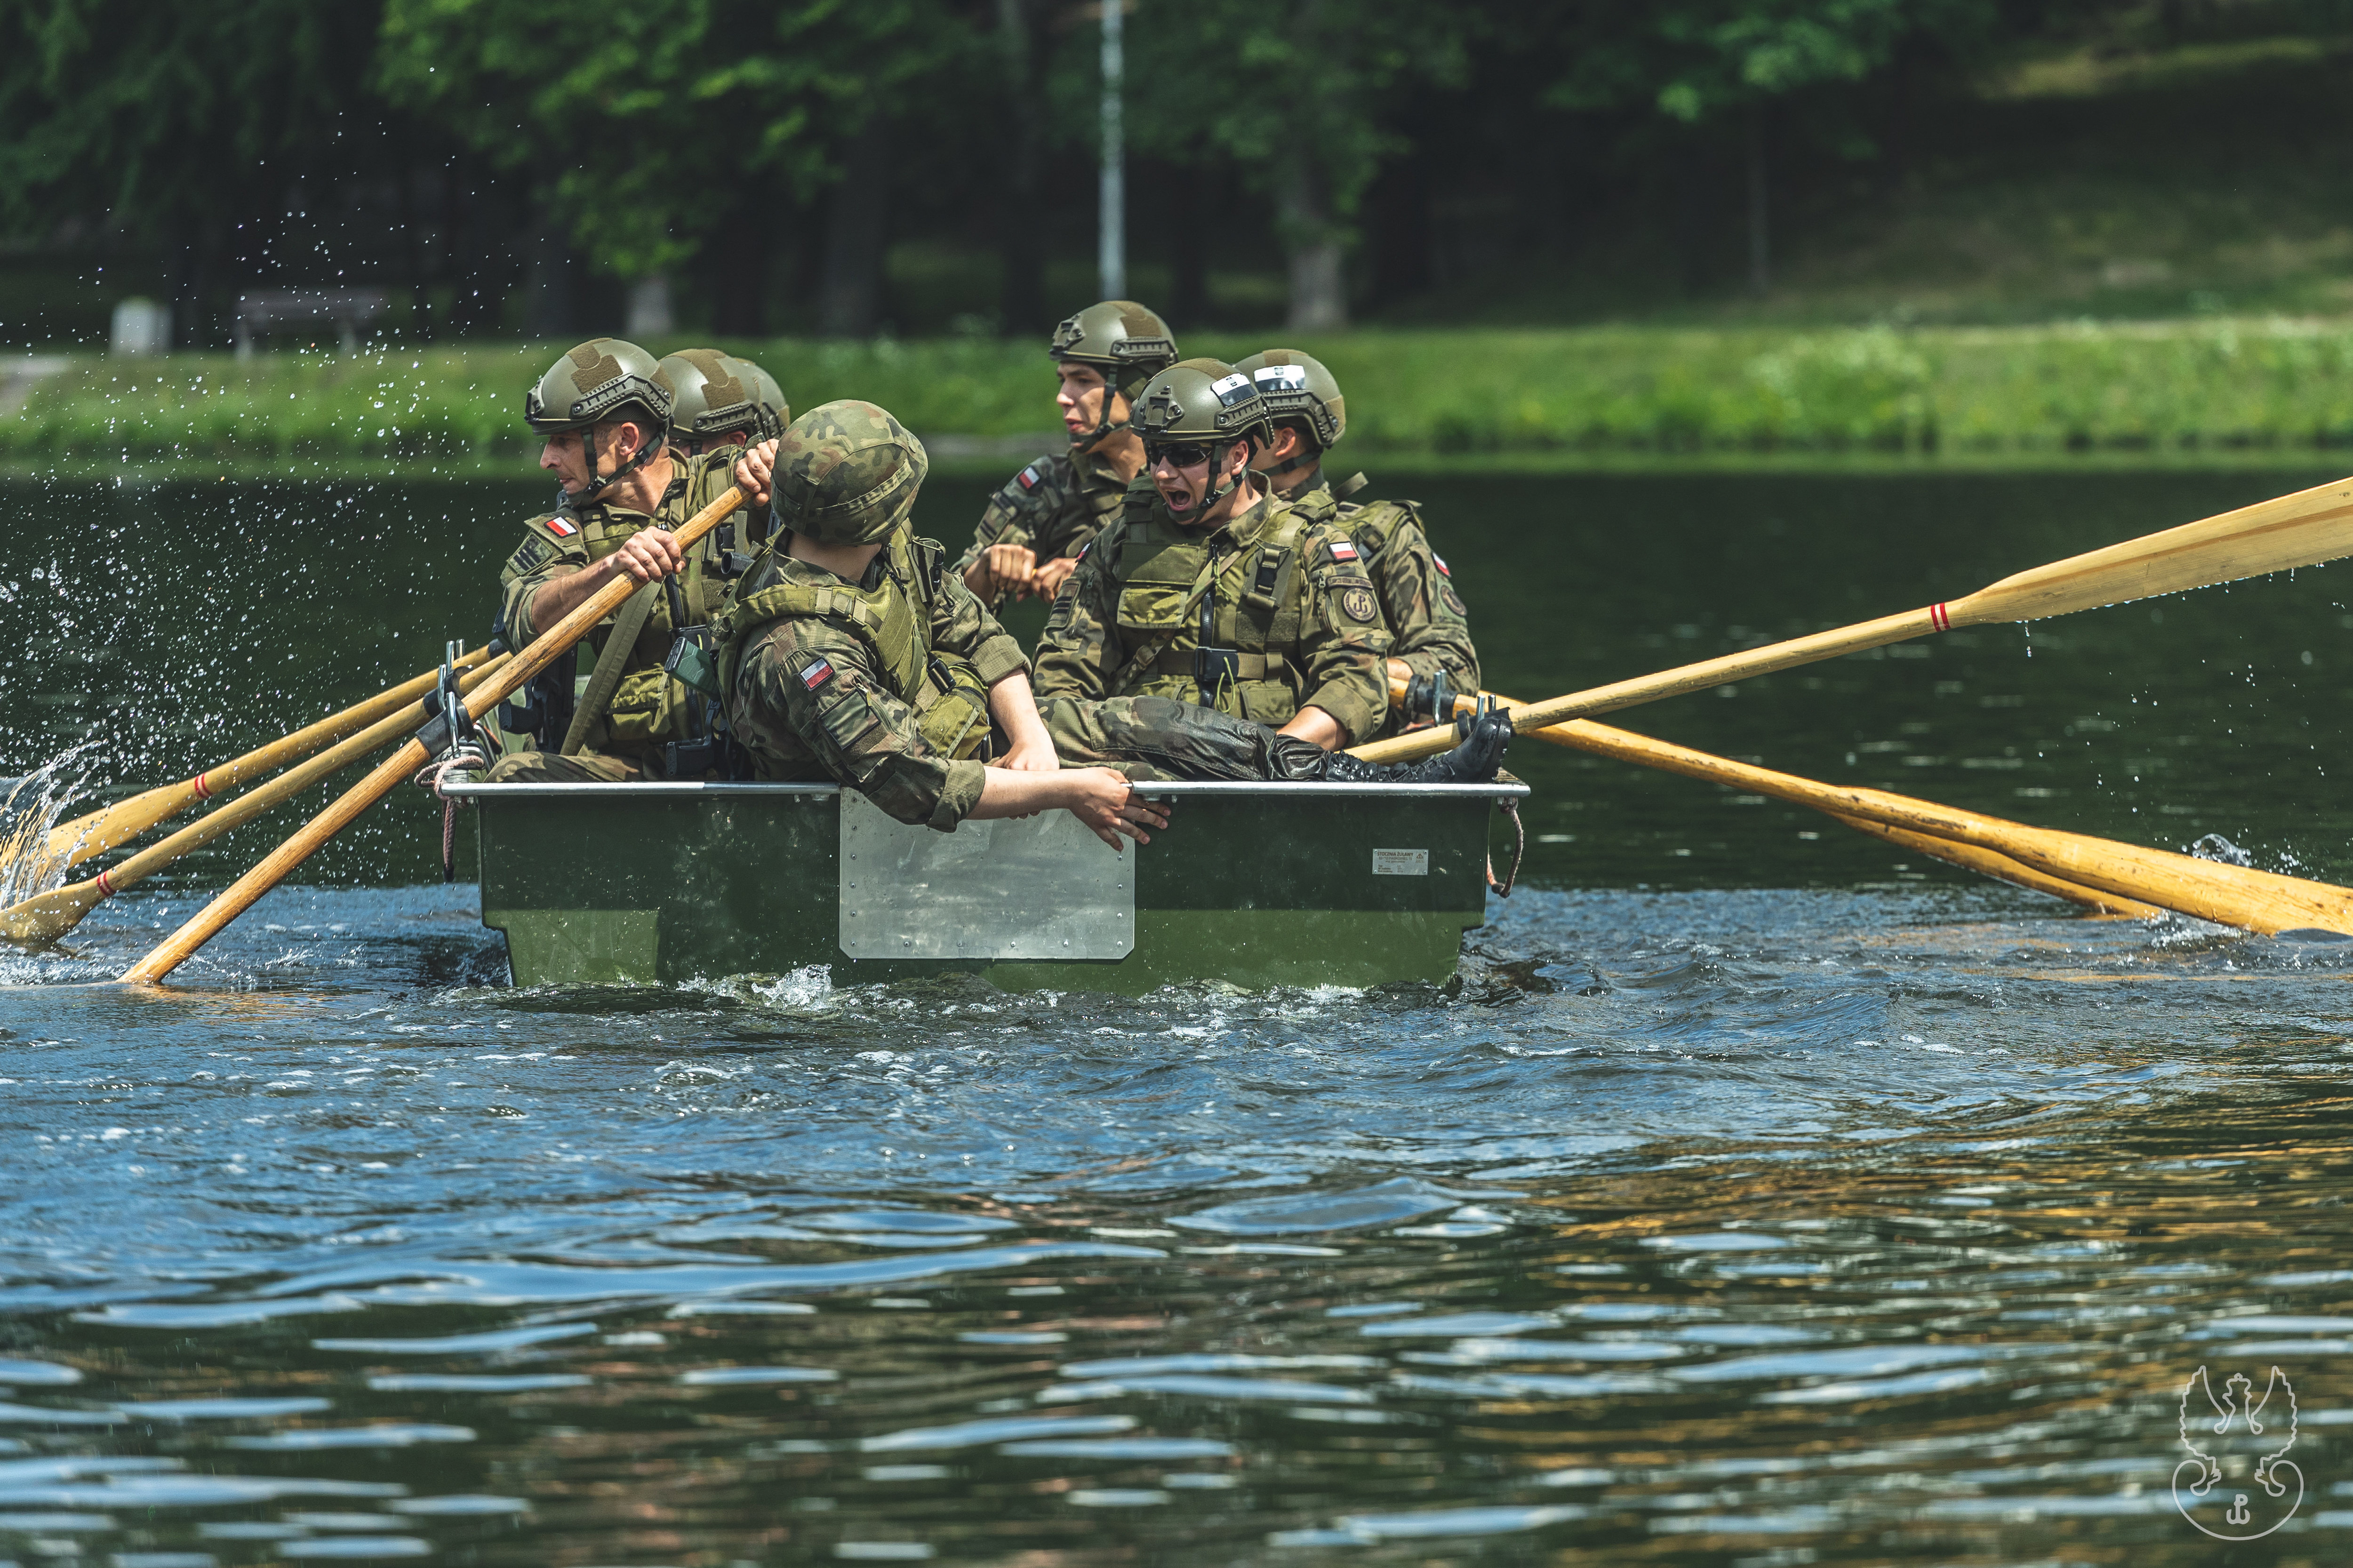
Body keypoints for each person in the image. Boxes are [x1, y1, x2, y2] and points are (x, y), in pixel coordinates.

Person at [1027, 358, 1511, 784]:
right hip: (1136, 770)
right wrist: (1087, 781)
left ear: (1239, 456)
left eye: (1185, 455)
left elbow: (1354, 678)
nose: (1161, 472)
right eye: (1155, 452)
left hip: (1282, 769)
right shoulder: (1120, 541)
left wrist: (1278, 762)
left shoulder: (1313, 545)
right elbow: (1061, 678)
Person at [720, 401, 1169, 848]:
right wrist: (1067, 790)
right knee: (1148, 777)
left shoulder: (874, 542)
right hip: (851, 844)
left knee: (1163, 729)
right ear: (874, 517)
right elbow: (916, 784)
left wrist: (1032, 740)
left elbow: (972, 626)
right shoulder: (804, 653)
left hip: (970, 739)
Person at [484, 337, 745, 783]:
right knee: (515, 777)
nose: (547, 460)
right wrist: (608, 571)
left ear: (626, 440)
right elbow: (523, 615)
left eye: (563, 441)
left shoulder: (730, 487)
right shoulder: (570, 531)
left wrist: (785, 472)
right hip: (635, 768)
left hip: (751, 753)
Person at [1236, 349, 1480, 736]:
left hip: (1348, 750)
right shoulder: (1207, 528)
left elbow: (1452, 667)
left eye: (1236, 430)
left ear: (1283, 442)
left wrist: (1352, 673)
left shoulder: (1383, 537)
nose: (1218, 441)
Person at [955, 300, 1176, 611]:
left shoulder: (1200, 475)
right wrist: (988, 569)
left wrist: (1093, 573)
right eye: (1064, 380)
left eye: (1083, 381)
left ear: (1140, 390)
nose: (1063, 397)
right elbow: (948, 611)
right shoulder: (1051, 483)